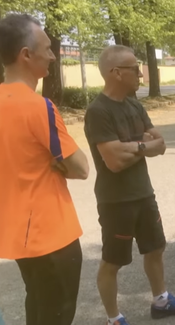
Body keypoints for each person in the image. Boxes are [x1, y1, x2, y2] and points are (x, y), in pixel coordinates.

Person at [84, 45, 175, 325]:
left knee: (155, 248)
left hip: (144, 193)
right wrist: (144, 146)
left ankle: (161, 301)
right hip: (115, 201)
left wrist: (133, 147)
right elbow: (114, 162)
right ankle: (114, 318)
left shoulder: (135, 104)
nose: (141, 73)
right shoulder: (98, 111)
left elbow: (161, 144)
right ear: (116, 73)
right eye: (135, 68)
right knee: (114, 261)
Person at [0, 14, 90, 325]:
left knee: (37, 307)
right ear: (26, 54)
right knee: (57, 313)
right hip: (53, 234)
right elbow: (81, 167)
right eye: (48, 48)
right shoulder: (40, 107)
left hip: (17, 233)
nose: (53, 55)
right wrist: (56, 163)